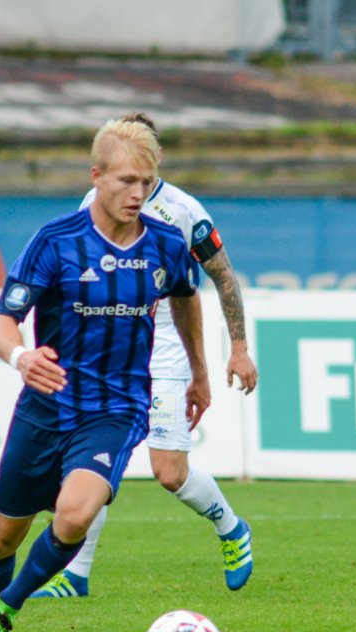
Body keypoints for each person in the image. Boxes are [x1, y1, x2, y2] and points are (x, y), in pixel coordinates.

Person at [0, 118, 207, 632]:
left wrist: (199, 372)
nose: (139, 194)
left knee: (76, 513)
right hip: (46, 408)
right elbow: (1, 322)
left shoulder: (167, 245)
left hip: (117, 408)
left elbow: (185, 299)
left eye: (148, 182)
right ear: (96, 176)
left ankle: (5, 612)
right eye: (127, 180)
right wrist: (20, 358)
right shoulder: (55, 241)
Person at [31, 112, 256, 600]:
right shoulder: (95, 200)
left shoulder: (183, 210)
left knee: (168, 471)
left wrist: (237, 350)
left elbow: (222, 275)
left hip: (168, 350)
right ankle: (76, 573)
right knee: (89, 459)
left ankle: (232, 529)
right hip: (109, 347)